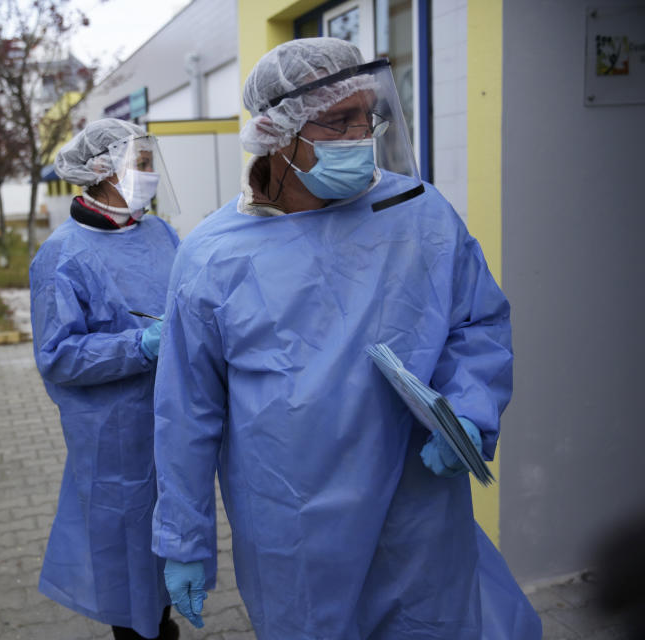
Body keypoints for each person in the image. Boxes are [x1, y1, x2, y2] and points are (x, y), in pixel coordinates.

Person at [151, 38, 542, 639]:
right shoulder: (213, 257)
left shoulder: (419, 215)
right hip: (295, 528)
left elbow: (478, 323)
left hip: (417, 511)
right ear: (276, 131)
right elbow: (186, 412)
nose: (363, 135)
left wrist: (468, 408)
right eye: (340, 120)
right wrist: (184, 538)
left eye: (369, 115)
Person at [30, 118, 182, 640]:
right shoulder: (62, 255)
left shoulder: (159, 232)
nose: (149, 175)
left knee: (170, 551)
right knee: (129, 574)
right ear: (101, 171)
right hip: (116, 440)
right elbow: (58, 356)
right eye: (139, 165)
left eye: (148, 163)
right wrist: (140, 345)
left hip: (174, 425)